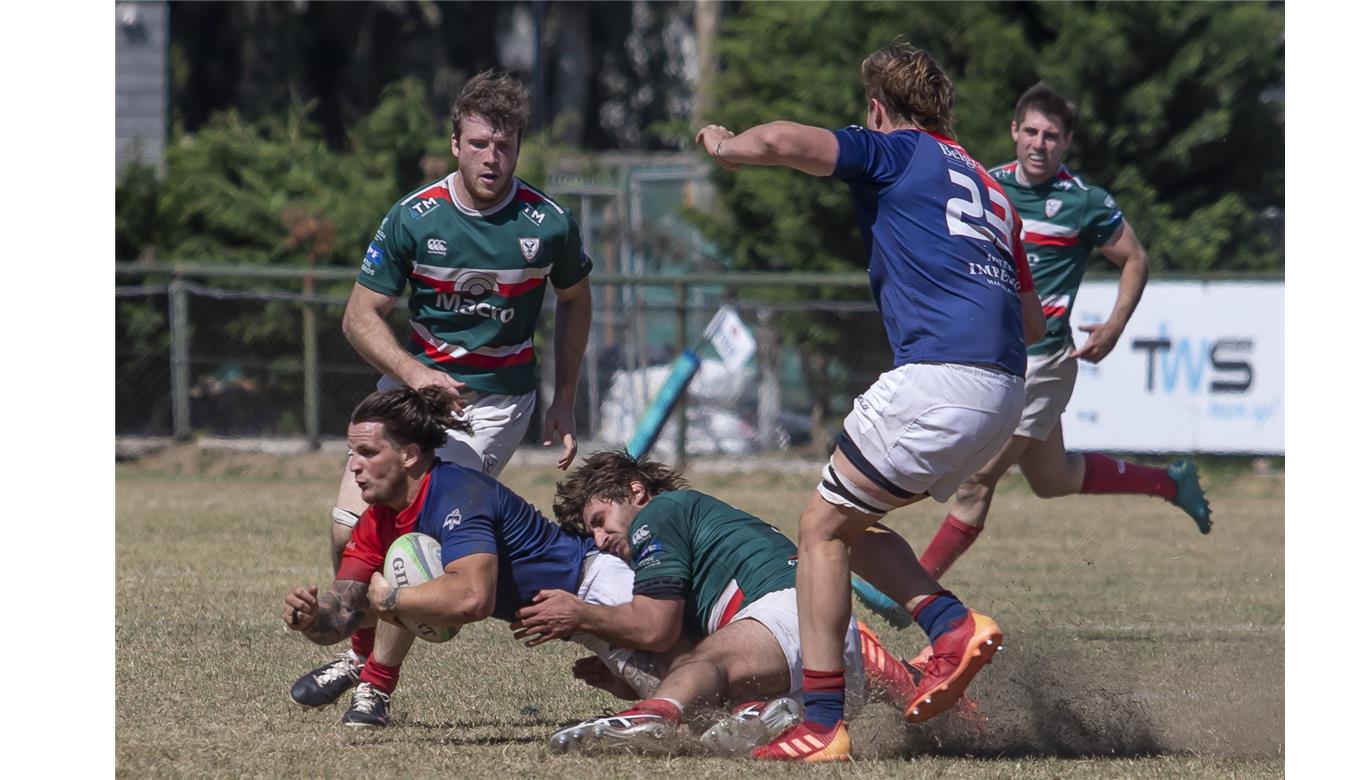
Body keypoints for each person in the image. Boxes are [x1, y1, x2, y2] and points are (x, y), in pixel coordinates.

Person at [693, 41, 1045, 761]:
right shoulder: (992, 186)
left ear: (878, 108)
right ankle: (946, 626)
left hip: (942, 378)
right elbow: (1034, 320)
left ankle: (826, 722)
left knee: (819, 531)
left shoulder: (895, 150)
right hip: (1006, 390)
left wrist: (727, 147)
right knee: (847, 524)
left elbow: (783, 141)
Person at [291, 70, 595, 713]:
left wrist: (563, 398)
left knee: (412, 541)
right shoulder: (414, 217)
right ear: (456, 143)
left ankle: (375, 687)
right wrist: (416, 374)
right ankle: (358, 654)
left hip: (493, 405)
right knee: (348, 529)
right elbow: (358, 317)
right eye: (480, 143)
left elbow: (575, 300)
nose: (492, 157)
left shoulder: (548, 223)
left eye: (505, 145)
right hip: (414, 390)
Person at [911, 83, 1213, 581]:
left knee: (976, 482)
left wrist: (1114, 326)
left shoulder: (1082, 202)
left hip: (1044, 361)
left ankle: (913, 594)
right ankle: (1170, 483)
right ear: (1014, 131)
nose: (1039, 144)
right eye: (1030, 131)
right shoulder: (984, 185)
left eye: (1051, 136)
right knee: (1054, 479)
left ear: (1066, 141)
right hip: (993, 357)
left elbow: (1135, 258)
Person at [282, 388, 656, 728]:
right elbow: (343, 612)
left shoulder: (456, 493)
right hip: (576, 619)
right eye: (353, 453)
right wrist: (312, 618)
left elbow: (474, 598)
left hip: (595, 583)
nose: (353, 466)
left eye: (368, 453)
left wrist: (392, 599)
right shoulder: (376, 523)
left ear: (409, 454)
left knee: (677, 694)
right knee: (664, 698)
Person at [511, 451, 917, 755]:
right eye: (592, 533)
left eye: (600, 520)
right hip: (831, 661)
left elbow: (655, 628)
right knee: (707, 676)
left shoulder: (658, 514)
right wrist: (630, 679)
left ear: (635, 491)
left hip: (791, 615)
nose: (600, 541)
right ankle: (766, 712)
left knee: (704, 663)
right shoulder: (690, 524)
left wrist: (581, 614)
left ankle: (654, 715)